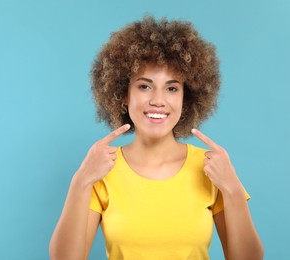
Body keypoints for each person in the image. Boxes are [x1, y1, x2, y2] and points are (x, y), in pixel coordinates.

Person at [49, 16, 263, 260]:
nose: (158, 100)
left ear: (186, 98)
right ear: (123, 95)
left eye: (172, 88)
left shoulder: (211, 168)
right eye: (144, 86)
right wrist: (81, 181)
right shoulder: (102, 169)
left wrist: (233, 188)